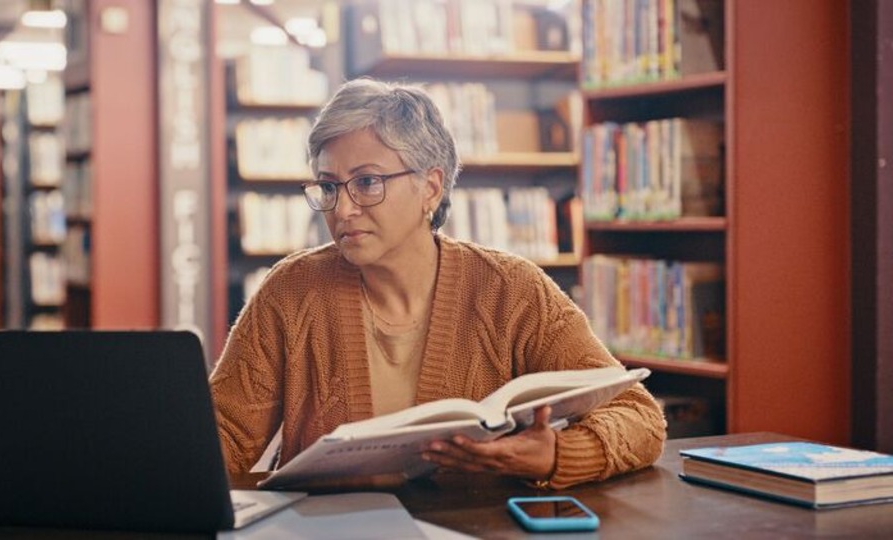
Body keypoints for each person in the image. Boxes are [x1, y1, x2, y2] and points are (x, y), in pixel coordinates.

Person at [210, 78, 666, 489]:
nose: (343, 209)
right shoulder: (292, 291)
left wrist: (556, 455)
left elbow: (639, 416)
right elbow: (224, 435)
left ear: (431, 187)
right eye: (329, 187)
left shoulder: (510, 289)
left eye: (367, 182)